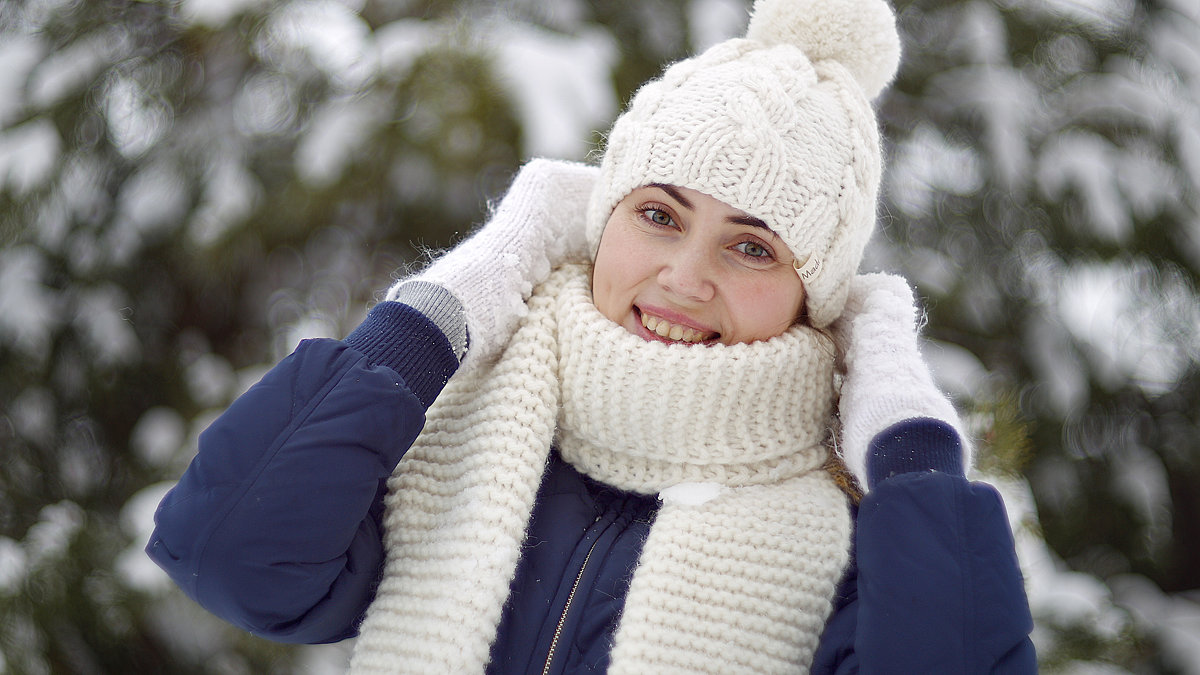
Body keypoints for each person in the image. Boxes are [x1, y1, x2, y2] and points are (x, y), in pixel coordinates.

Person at [147, 0, 1037, 672]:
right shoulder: (458, 437)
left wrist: (911, 458)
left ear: (818, 300)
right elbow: (232, 556)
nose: (686, 277)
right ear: (596, 219)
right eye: (657, 213)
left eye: (752, 245)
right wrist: (449, 305)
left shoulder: (857, 536)